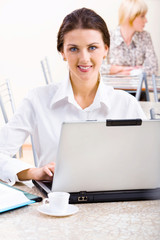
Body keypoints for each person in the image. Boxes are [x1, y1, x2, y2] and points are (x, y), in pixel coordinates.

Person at [0, 7, 146, 185]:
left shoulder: (126, 104)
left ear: (106, 49)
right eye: (74, 49)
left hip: (115, 201)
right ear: (62, 52)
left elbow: (148, 161)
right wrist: (32, 172)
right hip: (56, 201)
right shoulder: (37, 99)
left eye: (92, 47)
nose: (84, 58)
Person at [101, 0, 158, 76]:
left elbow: (153, 68)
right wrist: (122, 69)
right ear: (130, 16)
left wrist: (122, 72)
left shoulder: (145, 36)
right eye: (142, 16)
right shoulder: (109, 37)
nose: (146, 20)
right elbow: (98, 67)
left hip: (139, 87)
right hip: (114, 87)